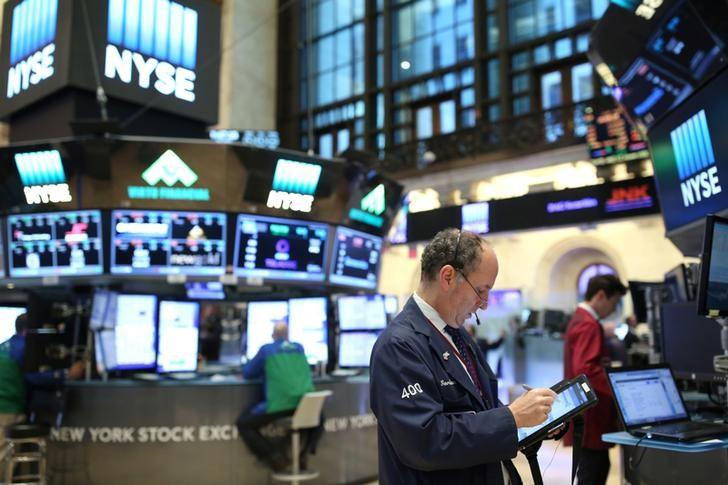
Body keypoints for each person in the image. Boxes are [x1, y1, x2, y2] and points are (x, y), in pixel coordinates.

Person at [370, 228, 557, 484]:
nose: (485, 303)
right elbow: (425, 441)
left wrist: (532, 419)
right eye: (481, 290)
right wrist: (511, 417)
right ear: (447, 277)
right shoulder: (398, 346)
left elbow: (479, 409)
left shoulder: (457, 334)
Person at [1, 313, 84, 474]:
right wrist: (66, 374)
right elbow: (33, 376)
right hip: (6, 409)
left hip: (6, 406)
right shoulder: (25, 347)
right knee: (3, 462)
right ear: (29, 331)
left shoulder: (7, 345)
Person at [564, 274, 627, 485]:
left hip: (587, 412)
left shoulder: (581, 319)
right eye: (614, 302)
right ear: (601, 296)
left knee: (595, 469)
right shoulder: (589, 324)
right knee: (593, 472)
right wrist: (618, 390)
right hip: (592, 415)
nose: (614, 308)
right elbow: (586, 369)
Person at [236, 321, 318, 471]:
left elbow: (248, 373)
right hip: (303, 406)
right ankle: (303, 455)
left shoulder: (266, 350)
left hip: (279, 406)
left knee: (243, 424)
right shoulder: (299, 348)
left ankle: (275, 457)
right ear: (288, 336)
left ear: (273, 335)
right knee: (320, 419)